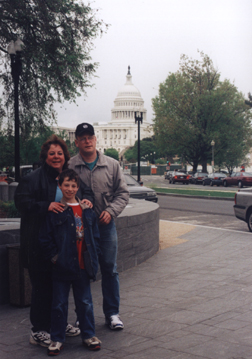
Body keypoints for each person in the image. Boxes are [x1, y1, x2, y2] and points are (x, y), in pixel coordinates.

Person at [14, 135, 94, 347]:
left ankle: (56, 324)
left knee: (59, 289)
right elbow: (21, 202)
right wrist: (45, 205)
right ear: (45, 156)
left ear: (65, 155)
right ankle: (39, 329)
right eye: (52, 154)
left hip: (64, 246)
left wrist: (87, 200)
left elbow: (85, 192)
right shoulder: (33, 179)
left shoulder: (69, 176)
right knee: (42, 289)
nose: (56, 157)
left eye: (60, 153)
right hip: (39, 244)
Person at [69, 123, 129, 330]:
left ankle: (112, 313)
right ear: (76, 142)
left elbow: (123, 194)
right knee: (81, 271)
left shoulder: (112, 164)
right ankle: (82, 315)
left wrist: (110, 211)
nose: (87, 141)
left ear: (96, 139)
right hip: (80, 227)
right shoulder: (70, 166)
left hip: (105, 225)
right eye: (82, 138)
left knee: (109, 269)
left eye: (90, 137)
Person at [39, 169, 101, 356]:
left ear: (78, 187)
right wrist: (55, 258)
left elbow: (95, 236)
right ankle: (57, 338)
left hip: (83, 265)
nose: (70, 189)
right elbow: (45, 238)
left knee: (85, 302)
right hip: (62, 266)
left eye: (73, 185)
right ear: (60, 186)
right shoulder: (56, 210)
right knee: (59, 303)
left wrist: (94, 255)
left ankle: (89, 335)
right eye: (66, 185)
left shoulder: (87, 210)